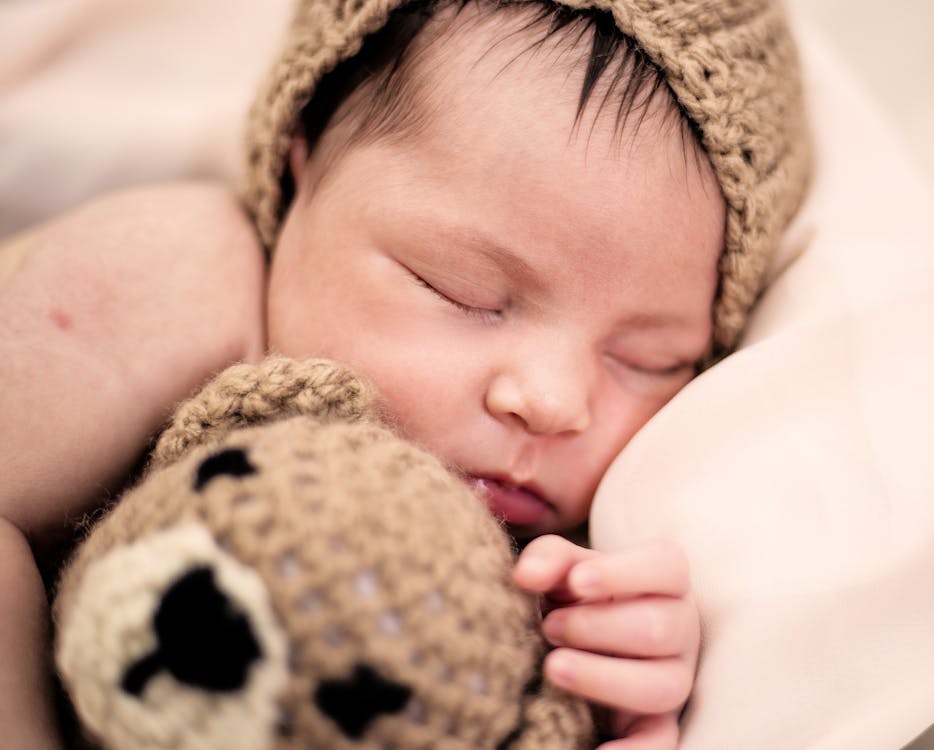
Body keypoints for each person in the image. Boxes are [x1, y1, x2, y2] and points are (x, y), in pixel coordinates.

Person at [0, 1, 809, 748]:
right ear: (297, 178)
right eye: (464, 292)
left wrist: (619, 678)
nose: (556, 403)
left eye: (648, 360)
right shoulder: (179, 280)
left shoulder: (571, 561)